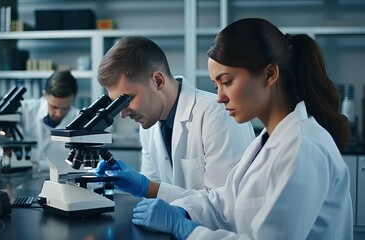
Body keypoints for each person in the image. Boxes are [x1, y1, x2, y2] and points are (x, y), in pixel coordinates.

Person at [130, 18, 353, 239]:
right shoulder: (267, 141)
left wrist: (187, 230)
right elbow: (226, 203)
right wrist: (184, 210)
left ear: (270, 74)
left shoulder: (302, 146)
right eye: (216, 85)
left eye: (227, 82)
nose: (219, 97)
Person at [95, 36, 255, 202]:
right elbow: (152, 194)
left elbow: (227, 202)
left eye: (127, 99)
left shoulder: (217, 115)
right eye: (117, 104)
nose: (123, 113)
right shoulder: (148, 125)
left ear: (158, 81)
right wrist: (144, 188)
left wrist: (148, 187)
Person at [19, 70, 80, 170]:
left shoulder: (81, 120)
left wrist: (40, 166)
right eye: (54, 107)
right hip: (24, 182)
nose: (59, 113)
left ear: (74, 98)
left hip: (62, 184)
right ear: (44, 95)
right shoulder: (25, 109)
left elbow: (81, 167)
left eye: (65, 108)